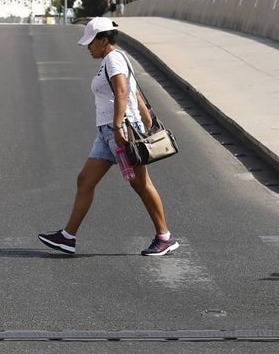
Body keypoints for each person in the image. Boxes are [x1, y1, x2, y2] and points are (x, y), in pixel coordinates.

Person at [39, 17, 180, 256]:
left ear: (104, 40)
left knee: (141, 185)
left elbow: (124, 91)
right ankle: (67, 237)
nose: (88, 47)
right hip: (107, 133)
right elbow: (134, 90)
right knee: (85, 180)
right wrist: (145, 122)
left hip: (119, 131)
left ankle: (165, 237)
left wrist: (119, 127)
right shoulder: (111, 60)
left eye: (91, 42)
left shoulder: (114, 59)